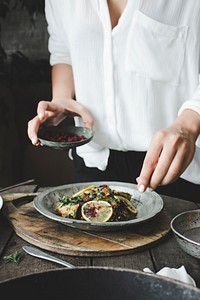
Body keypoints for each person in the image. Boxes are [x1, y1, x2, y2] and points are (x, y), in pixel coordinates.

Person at [28, 0, 200, 201]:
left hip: (179, 164)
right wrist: (61, 97)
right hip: (96, 159)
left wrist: (188, 125)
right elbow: (63, 52)